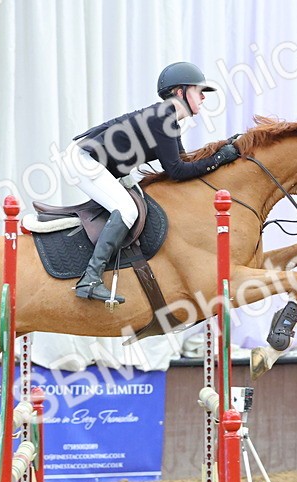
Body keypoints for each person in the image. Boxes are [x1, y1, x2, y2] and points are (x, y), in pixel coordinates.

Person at [66, 61, 242, 304]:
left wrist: (221, 150)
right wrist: (220, 158)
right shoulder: (163, 120)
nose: (203, 97)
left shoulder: (167, 119)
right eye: (198, 91)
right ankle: (91, 278)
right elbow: (177, 171)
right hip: (84, 160)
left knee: (136, 199)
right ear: (180, 92)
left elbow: (183, 161)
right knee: (126, 210)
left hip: (100, 162)